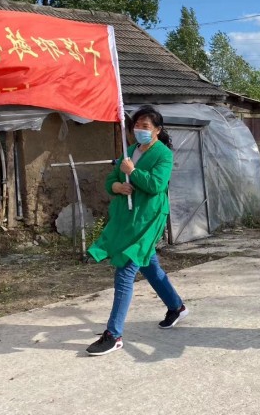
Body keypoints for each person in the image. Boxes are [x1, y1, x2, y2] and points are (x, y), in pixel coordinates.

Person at [85, 106, 188, 356]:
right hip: (129, 218)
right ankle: (176, 307)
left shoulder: (163, 154)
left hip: (149, 218)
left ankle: (114, 334)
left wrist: (133, 172)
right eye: (137, 125)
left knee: (126, 268)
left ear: (157, 130)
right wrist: (118, 187)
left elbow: (156, 185)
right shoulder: (129, 150)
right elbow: (111, 180)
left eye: (145, 126)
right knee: (149, 265)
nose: (139, 130)